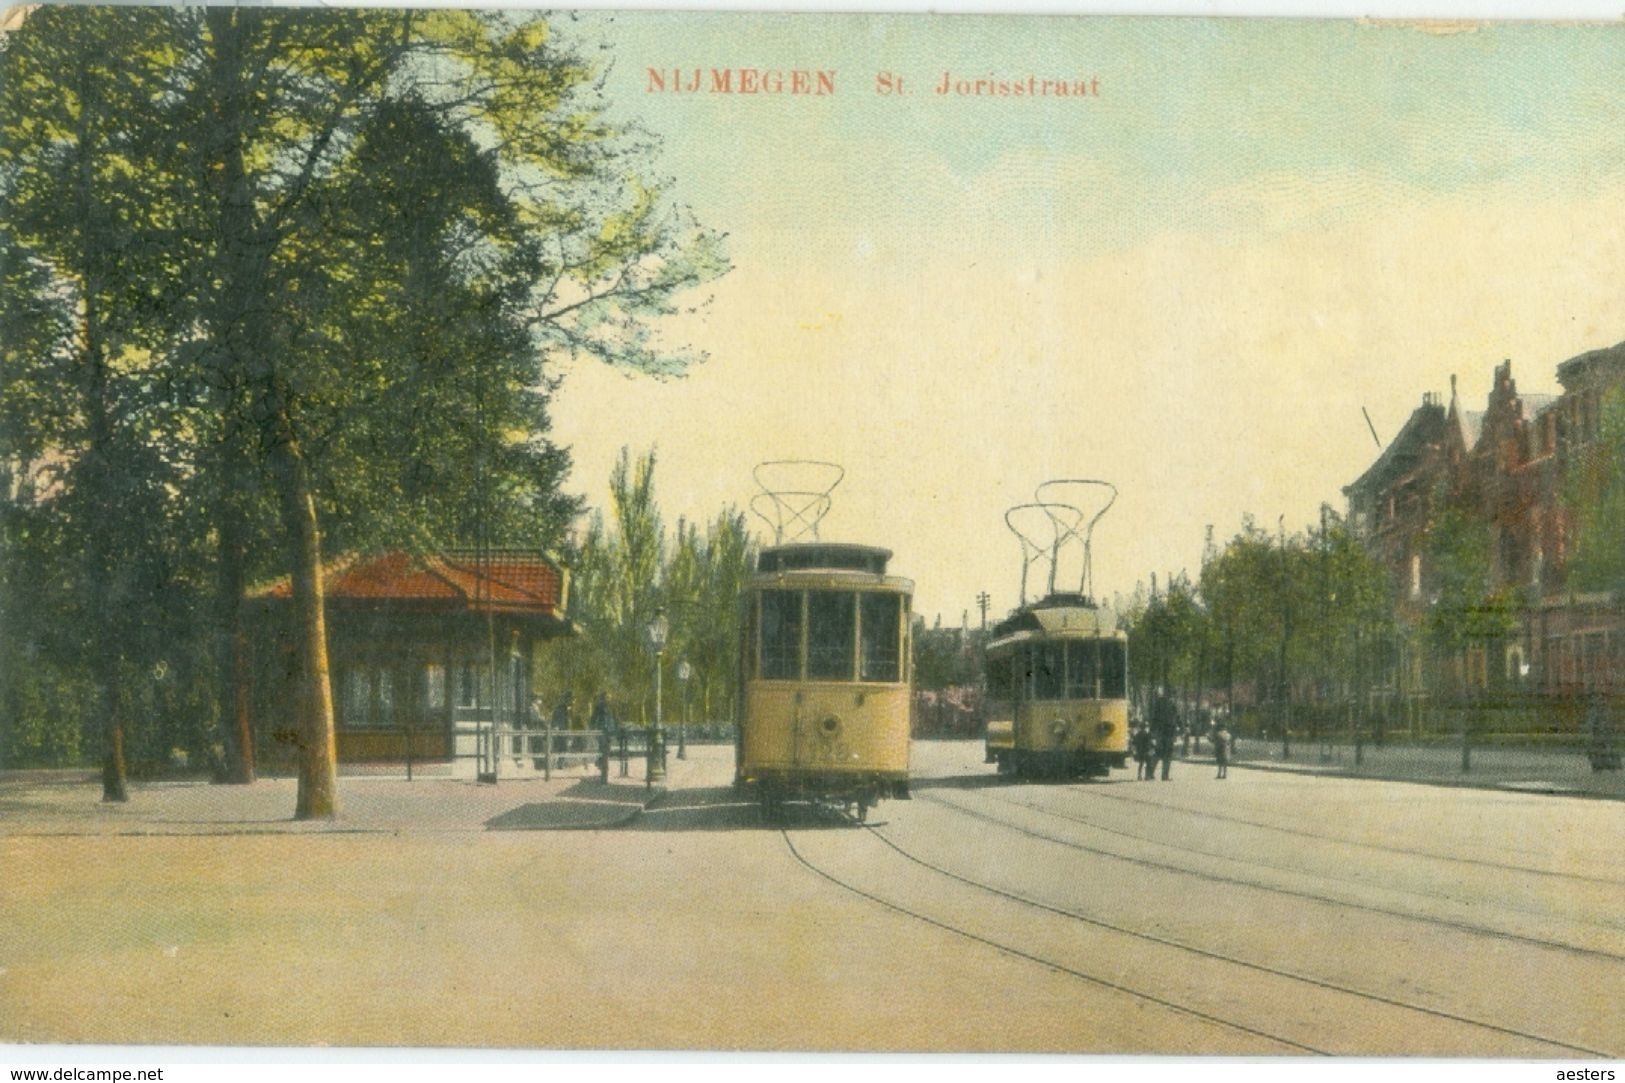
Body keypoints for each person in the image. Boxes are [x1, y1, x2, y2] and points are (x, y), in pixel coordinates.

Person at [1152, 688, 1179, 781]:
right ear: (1172, 695)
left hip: (1160, 732)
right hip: (1169, 732)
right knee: (1168, 755)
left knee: (1158, 753)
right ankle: (1165, 776)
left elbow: (1154, 718)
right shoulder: (1172, 704)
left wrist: (1152, 732)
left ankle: (1149, 773)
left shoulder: (1158, 703)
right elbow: (1177, 717)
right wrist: (1182, 729)